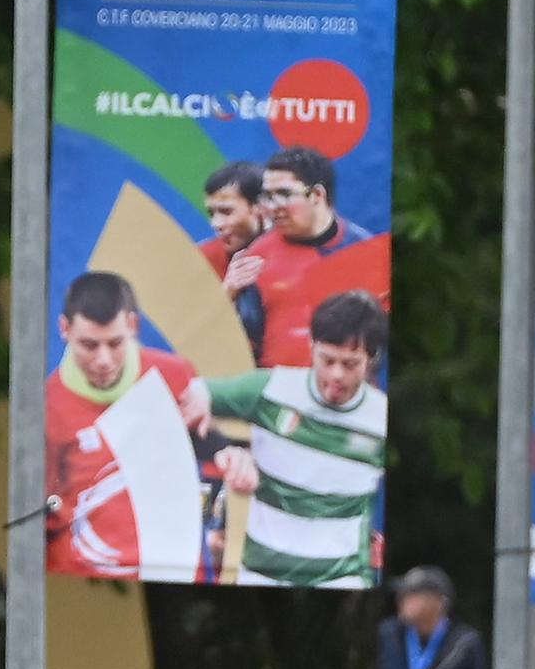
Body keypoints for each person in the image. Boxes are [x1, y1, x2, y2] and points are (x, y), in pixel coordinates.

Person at [43, 270, 236, 580]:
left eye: (115, 343)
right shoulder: (47, 407)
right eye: (89, 346)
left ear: (133, 326)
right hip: (89, 581)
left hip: (177, 576)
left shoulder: (174, 375)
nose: (104, 360)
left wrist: (216, 520)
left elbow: (210, 455)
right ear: (64, 330)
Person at [200, 290, 390, 587]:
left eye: (350, 363)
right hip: (259, 577)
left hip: (340, 580)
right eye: (327, 360)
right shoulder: (271, 388)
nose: (336, 374)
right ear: (311, 345)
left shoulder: (381, 419)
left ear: (371, 359)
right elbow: (185, 398)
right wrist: (226, 449)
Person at [226, 145, 392, 365]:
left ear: (317, 195)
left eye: (284, 195)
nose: (272, 207)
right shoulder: (258, 255)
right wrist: (227, 295)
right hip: (273, 389)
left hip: (343, 392)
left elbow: (380, 344)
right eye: (267, 196)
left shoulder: (366, 252)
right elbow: (241, 340)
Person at [197, 159, 268, 279]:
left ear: (261, 207)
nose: (216, 224)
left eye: (226, 212)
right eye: (211, 213)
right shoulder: (203, 259)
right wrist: (228, 292)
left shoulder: (294, 251)